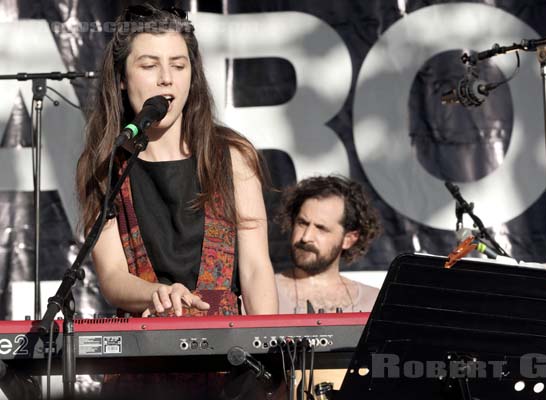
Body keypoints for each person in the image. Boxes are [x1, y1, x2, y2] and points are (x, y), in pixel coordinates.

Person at [76, 4, 278, 398]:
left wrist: (269, 359)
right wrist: (155, 293)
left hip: (229, 362)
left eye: (179, 65)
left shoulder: (231, 156)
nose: (166, 79)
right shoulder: (104, 164)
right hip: (142, 359)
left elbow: (255, 270)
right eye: (149, 65)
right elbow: (114, 278)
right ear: (121, 78)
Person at [275, 175, 382, 314]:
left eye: (321, 228)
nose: (306, 237)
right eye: (302, 223)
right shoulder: (258, 293)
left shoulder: (374, 303)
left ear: (348, 239)